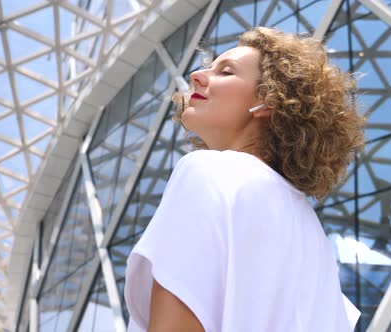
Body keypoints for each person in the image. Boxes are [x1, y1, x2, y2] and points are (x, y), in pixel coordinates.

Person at [124, 27, 365, 332]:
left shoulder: (209, 173)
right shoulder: (316, 244)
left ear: (269, 102)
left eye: (226, 72)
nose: (198, 76)